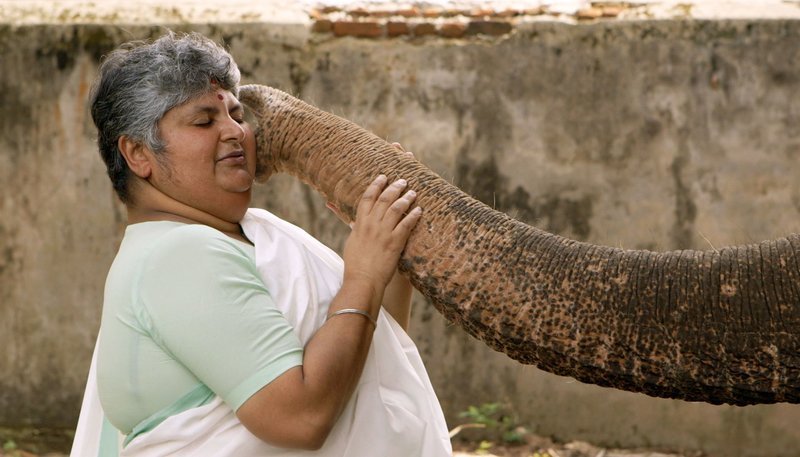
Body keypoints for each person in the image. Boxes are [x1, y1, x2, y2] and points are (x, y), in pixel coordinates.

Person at [71, 31, 452, 456]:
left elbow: (376, 357)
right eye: (203, 121)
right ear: (138, 154)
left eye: (235, 114)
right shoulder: (179, 256)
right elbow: (299, 419)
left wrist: (387, 247)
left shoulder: (250, 236)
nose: (234, 131)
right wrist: (362, 273)